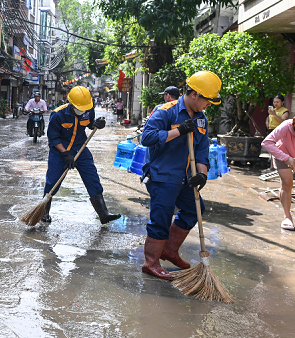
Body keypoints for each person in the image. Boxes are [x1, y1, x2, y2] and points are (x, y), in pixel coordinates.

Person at [140, 70, 222, 280]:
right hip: (162, 175)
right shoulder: (166, 111)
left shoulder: (201, 119)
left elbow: (202, 151)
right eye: (207, 100)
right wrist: (178, 131)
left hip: (185, 177)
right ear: (194, 94)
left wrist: (201, 175)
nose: (209, 105)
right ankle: (151, 263)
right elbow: (146, 138)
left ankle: (169, 250)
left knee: (195, 209)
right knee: (161, 217)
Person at [41, 86, 120, 225]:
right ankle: (44, 212)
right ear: (70, 103)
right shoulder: (58, 114)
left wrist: (97, 124)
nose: (82, 110)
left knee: (92, 177)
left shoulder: (88, 109)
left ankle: (103, 213)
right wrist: (65, 153)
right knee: (52, 180)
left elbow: (89, 124)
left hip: (80, 149)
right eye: (79, 108)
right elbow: (53, 138)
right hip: (60, 151)